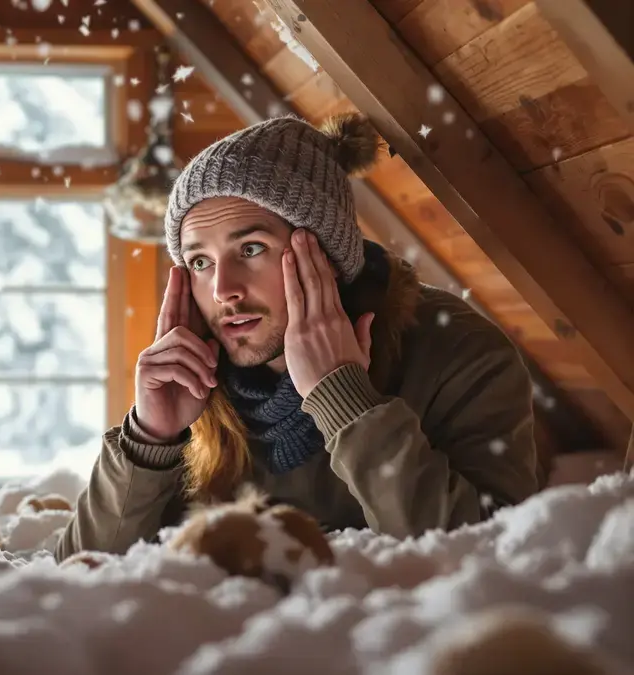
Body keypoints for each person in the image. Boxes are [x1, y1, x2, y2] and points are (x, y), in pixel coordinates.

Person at [56, 113, 541, 561]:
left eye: (250, 248)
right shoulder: (191, 370)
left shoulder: (460, 351)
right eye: (199, 261)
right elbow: (77, 571)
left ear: (325, 256)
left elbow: (488, 556)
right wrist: (149, 439)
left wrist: (347, 403)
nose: (223, 290)